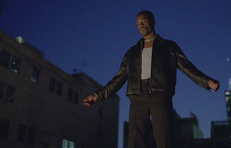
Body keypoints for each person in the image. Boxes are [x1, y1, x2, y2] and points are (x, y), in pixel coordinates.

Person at [82, 10, 220, 148]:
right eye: (137, 23)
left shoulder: (169, 46)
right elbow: (118, 79)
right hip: (137, 97)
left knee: (165, 140)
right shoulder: (132, 52)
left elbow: (188, 67)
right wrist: (97, 96)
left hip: (159, 95)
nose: (141, 25)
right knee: (135, 142)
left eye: (144, 20)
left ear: (153, 22)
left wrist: (207, 82)